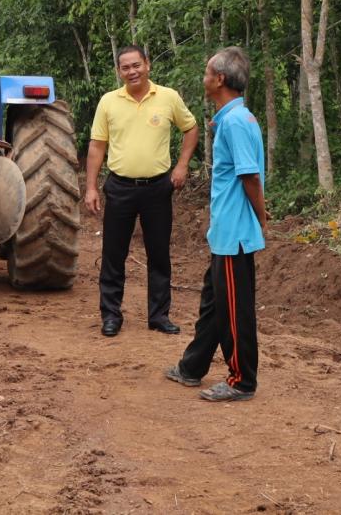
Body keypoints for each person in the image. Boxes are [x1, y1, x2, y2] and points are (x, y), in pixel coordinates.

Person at [165, 46, 267, 402]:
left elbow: (249, 176)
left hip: (235, 233)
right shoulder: (233, 119)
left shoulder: (236, 122)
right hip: (224, 233)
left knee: (235, 311)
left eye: (207, 73)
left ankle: (242, 381)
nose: (204, 78)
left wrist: (261, 216)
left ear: (219, 79)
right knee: (213, 304)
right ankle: (192, 367)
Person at [85, 45, 200, 337]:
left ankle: (159, 315)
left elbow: (191, 128)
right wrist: (91, 187)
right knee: (113, 254)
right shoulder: (109, 102)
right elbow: (97, 146)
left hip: (158, 188)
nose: (132, 71)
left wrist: (182, 166)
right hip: (120, 187)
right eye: (125, 67)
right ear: (118, 72)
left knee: (159, 253)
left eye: (136, 65)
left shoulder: (168, 97)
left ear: (147, 64)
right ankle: (111, 315)